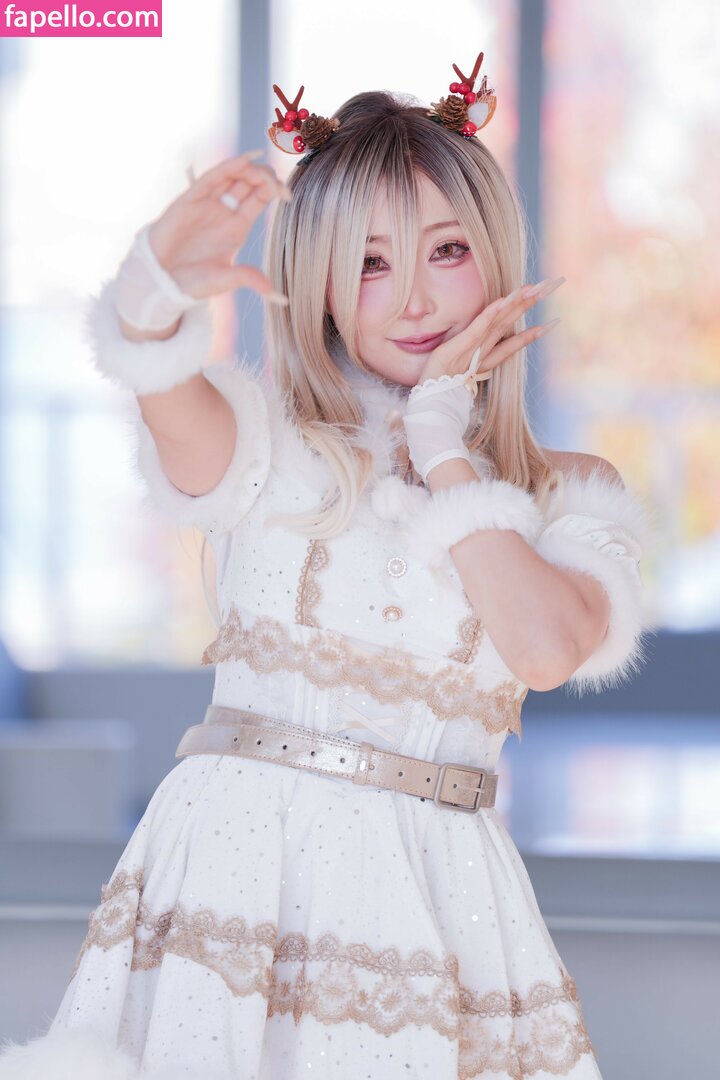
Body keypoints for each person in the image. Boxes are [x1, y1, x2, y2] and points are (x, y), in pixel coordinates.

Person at [0, 52, 656, 1080]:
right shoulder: (265, 443)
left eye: (447, 250)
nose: (415, 300)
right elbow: (166, 396)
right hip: (232, 882)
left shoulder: (571, 490)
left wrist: (445, 442)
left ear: (494, 254)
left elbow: (542, 649)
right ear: (322, 290)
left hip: (444, 898)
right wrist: (151, 289)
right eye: (368, 263)